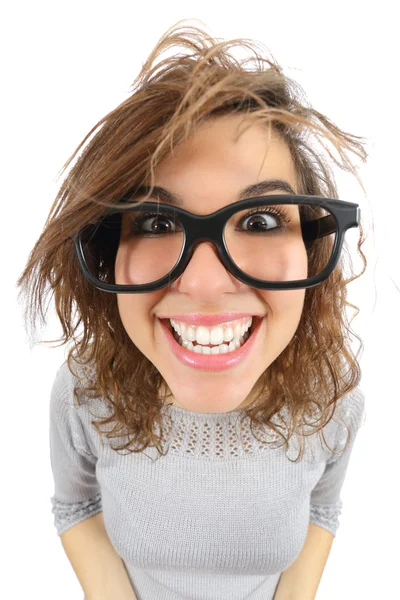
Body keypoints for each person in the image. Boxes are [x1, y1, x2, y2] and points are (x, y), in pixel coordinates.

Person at [17, 19, 367, 600]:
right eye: (156, 222)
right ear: (107, 252)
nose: (205, 284)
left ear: (311, 244)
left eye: (259, 220)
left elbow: (323, 510)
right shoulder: (84, 388)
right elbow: (75, 502)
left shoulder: (335, 397)